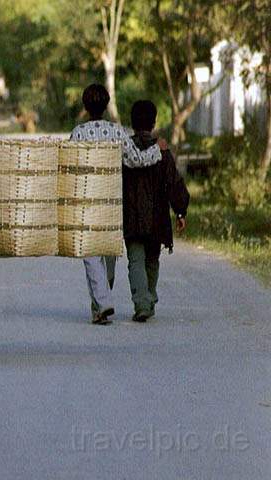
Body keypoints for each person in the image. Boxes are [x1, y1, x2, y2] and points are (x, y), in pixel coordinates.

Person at [69, 84, 168, 325]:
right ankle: (101, 303)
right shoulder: (118, 132)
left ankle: (101, 304)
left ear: (85, 107)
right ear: (105, 106)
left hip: (86, 202)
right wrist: (158, 149)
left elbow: (68, 165)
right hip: (112, 204)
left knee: (91, 255)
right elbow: (136, 160)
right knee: (109, 257)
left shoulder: (78, 134)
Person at [124, 100, 190, 322]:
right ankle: (149, 298)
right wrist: (180, 212)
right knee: (152, 259)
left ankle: (142, 303)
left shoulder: (126, 150)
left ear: (132, 124)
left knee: (135, 260)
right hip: (156, 218)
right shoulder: (162, 151)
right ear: (153, 123)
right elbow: (174, 184)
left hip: (131, 217)